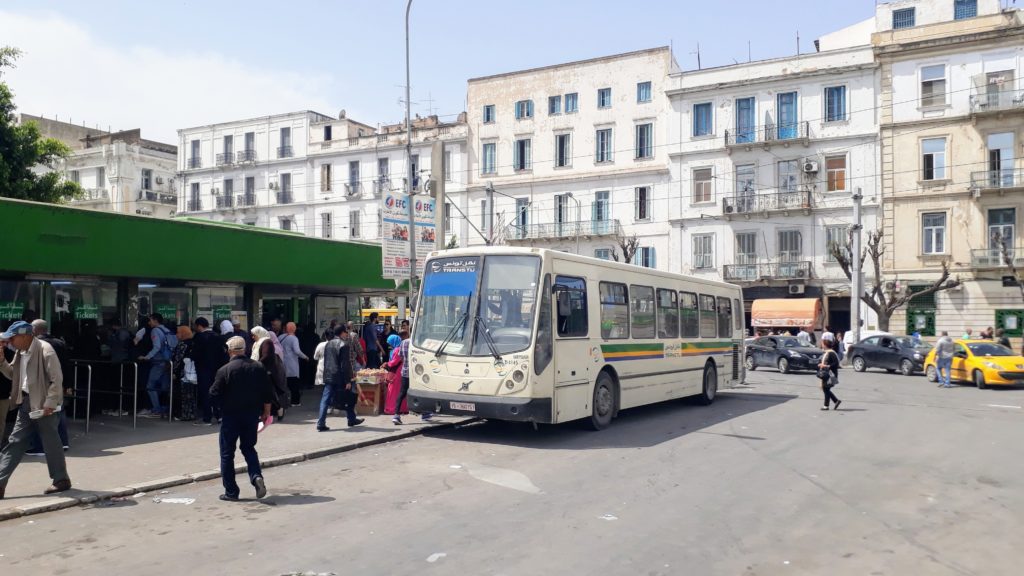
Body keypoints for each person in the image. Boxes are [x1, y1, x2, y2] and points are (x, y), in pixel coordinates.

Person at [0, 321, 72, 498]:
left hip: (43, 403)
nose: (10, 342)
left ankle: (61, 479)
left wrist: (50, 403)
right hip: (26, 402)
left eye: (12, 338)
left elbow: (57, 379)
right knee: (16, 441)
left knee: (50, 441)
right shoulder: (20, 351)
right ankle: (0, 482)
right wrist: (2, 361)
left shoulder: (45, 350)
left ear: (24, 336)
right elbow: (13, 375)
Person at [210, 336, 271, 502]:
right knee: (249, 448)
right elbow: (267, 392)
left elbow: (214, 394)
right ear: (245, 349)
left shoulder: (225, 370)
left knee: (227, 454)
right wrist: (266, 411)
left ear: (229, 351)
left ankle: (231, 491)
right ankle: (256, 476)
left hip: (230, 416)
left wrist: (218, 411)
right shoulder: (258, 367)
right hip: (251, 415)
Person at [28, 320, 70, 453]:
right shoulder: (59, 343)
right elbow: (66, 365)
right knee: (59, 412)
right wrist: (67, 384)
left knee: (38, 414)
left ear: (35, 330)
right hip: (58, 383)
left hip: (41, 384)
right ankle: (63, 442)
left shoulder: (35, 344)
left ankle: (39, 446)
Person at [317, 325, 363, 431]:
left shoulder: (328, 344)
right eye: (346, 332)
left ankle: (321, 422)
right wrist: (348, 380)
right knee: (350, 396)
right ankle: (351, 419)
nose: (347, 334)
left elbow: (327, 361)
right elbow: (345, 364)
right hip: (340, 376)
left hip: (329, 375)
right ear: (342, 333)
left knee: (325, 399)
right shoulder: (344, 345)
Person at [137, 313, 176, 418]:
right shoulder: (167, 330)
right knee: (164, 387)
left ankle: (156, 410)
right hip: (168, 362)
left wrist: (147, 356)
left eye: (150, 320)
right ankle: (165, 408)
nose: (149, 322)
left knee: (150, 387)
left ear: (155, 320)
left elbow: (157, 346)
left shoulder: (155, 331)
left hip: (158, 362)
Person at [392, 330, 433, 425]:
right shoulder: (418, 343)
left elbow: (401, 357)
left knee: (402, 393)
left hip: (405, 372)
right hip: (417, 373)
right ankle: (425, 413)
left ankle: (396, 415)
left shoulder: (403, 342)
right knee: (422, 393)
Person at [192, 317, 227, 425]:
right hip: (217, 370)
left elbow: (195, 354)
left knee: (205, 392)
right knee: (216, 391)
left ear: (199, 326)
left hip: (203, 369)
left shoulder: (199, 337)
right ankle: (219, 415)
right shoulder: (218, 337)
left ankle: (207, 417)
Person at [251, 326, 288, 420]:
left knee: (268, 393)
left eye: (254, 335)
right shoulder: (257, 343)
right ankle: (267, 412)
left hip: (266, 372)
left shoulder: (267, 342)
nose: (253, 337)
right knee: (264, 393)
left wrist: (256, 364)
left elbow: (266, 356)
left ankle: (278, 409)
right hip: (259, 371)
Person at [279, 322, 309, 406]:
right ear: (294, 329)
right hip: (291, 363)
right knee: (294, 384)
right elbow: (297, 351)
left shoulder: (280, 337)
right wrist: (305, 357)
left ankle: (283, 401)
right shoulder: (294, 338)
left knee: (284, 383)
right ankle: (295, 401)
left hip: (282, 362)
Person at [172, 325, 197, 422]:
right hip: (191, 372)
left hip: (182, 373)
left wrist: (174, 371)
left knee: (182, 394)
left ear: (183, 333)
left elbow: (178, 360)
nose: (176, 335)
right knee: (190, 394)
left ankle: (183, 414)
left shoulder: (182, 344)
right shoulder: (193, 343)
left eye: (178, 333)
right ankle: (191, 413)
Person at [817, 338, 842, 411]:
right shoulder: (826, 352)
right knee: (826, 388)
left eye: (822, 344)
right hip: (827, 374)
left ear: (825, 345)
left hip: (831, 374)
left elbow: (836, 364)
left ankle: (826, 405)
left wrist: (826, 366)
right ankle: (836, 401)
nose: (821, 345)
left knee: (826, 388)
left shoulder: (831, 353)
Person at [384, 333, 405, 417]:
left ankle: (391, 408)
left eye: (390, 343)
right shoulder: (399, 348)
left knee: (393, 390)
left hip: (396, 371)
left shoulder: (397, 350)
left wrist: (386, 364)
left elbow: (394, 362)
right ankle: (402, 408)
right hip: (399, 370)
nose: (389, 345)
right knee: (399, 390)